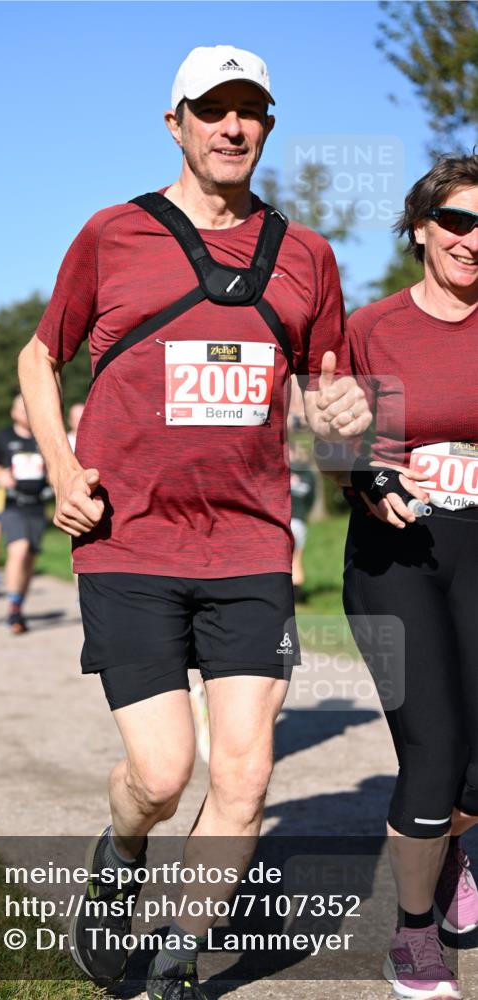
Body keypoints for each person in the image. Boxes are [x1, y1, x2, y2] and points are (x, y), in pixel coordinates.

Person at [19, 44, 371, 998]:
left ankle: (177, 958)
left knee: (247, 778)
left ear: (265, 124)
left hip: (250, 542)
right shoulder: (112, 234)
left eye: (248, 109)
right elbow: (38, 358)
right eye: (210, 109)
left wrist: (345, 416)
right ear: (173, 123)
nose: (231, 126)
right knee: (165, 773)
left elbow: (328, 387)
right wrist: (60, 464)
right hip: (127, 540)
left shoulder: (307, 254)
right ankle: (122, 849)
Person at [342, 155, 478, 1000]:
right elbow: (327, 439)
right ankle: (414, 930)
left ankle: (454, 843)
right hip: (396, 557)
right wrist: (368, 476)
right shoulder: (374, 328)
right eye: (457, 222)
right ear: (421, 228)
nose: (472, 241)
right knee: (432, 751)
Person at [0, 394, 48, 635]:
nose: (25, 412)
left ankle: (18, 606)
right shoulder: (4, 437)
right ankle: (13, 607)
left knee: (29, 558)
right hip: (13, 504)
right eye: (20, 408)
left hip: (37, 505)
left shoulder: (44, 435)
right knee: (19, 548)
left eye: (28, 407)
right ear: (13, 412)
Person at [289, 439, 317, 601]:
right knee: (296, 557)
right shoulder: (308, 475)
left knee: (287, 558)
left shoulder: (281, 471)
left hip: (288, 520)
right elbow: (311, 499)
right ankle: (298, 596)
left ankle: (291, 595)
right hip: (299, 521)